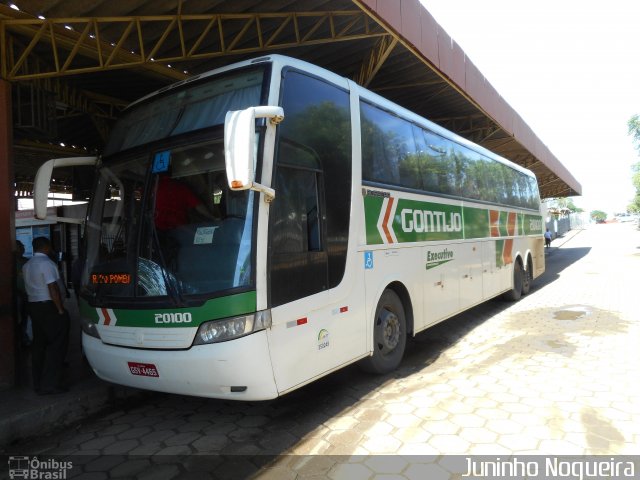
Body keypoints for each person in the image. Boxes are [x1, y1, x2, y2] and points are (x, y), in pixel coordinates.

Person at [22, 237, 70, 395]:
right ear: (47, 247)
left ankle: (37, 383)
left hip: (33, 306)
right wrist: (60, 310)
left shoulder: (27, 265)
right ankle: (51, 383)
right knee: (57, 345)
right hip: (49, 306)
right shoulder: (47, 264)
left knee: (39, 345)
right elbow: (53, 288)